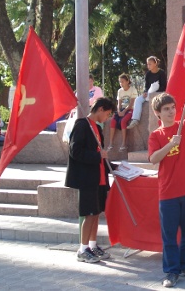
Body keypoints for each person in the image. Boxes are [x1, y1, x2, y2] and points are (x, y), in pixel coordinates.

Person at [148, 86, 185, 288]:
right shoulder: (155, 135)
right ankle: (171, 271)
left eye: (173, 107)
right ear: (158, 113)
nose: (171, 111)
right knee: (170, 235)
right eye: (166, 109)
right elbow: (153, 159)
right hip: (168, 193)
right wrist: (170, 144)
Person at [64, 97, 116, 264]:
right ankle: (82, 249)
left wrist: (115, 167)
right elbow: (75, 151)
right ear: (100, 109)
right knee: (89, 213)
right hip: (87, 178)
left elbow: (100, 156)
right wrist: (97, 155)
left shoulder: (97, 129)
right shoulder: (82, 125)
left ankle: (92, 245)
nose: (107, 118)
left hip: (99, 178)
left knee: (96, 213)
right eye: (107, 114)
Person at [128, 56, 167, 129]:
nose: (148, 66)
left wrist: (155, 92)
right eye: (147, 64)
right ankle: (135, 119)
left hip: (158, 93)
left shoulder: (161, 73)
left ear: (155, 64)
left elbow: (163, 86)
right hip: (149, 93)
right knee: (138, 100)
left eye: (150, 64)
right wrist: (145, 92)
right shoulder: (148, 74)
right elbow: (146, 86)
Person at [106, 73, 138, 152]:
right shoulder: (119, 91)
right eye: (120, 82)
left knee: (123, 121)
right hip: (122, 110)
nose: (121, 84)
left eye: (122, 81)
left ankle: (123, 144)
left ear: (127, 81)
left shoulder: (133, 89)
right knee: (113, 121)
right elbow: (119, 103)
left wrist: (124, 111)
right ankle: (111, 143)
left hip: (130, 109)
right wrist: (119, 111)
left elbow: (131, 103)